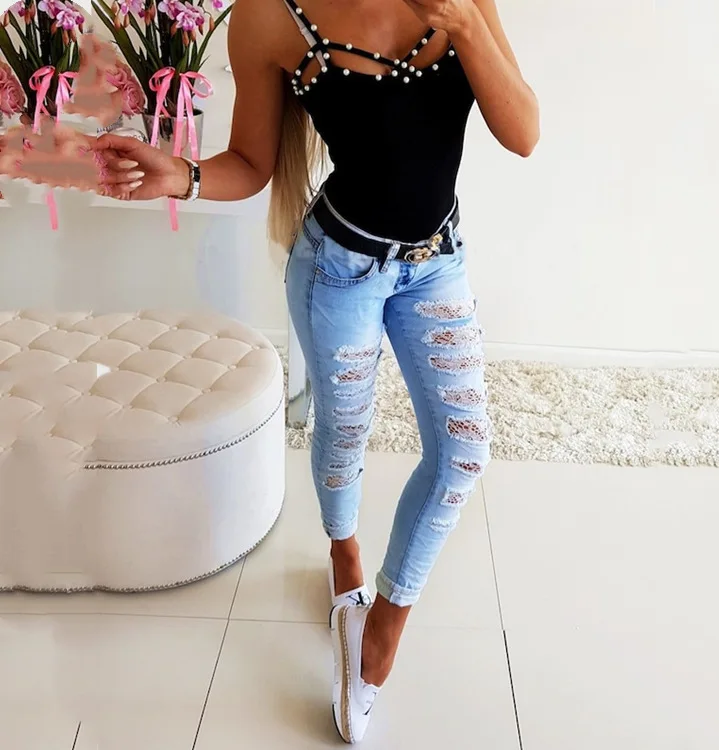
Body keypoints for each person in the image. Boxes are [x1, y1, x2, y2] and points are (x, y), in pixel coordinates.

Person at [94, 0, 539, 742]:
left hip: (437, 263)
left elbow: (523, 133)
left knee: (464, 451)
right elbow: (252, 164)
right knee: (343, 434)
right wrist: (182, 177)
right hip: (338, 270)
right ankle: (343, 552)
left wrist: (463, 22)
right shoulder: (271, 16)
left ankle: (383, 623)